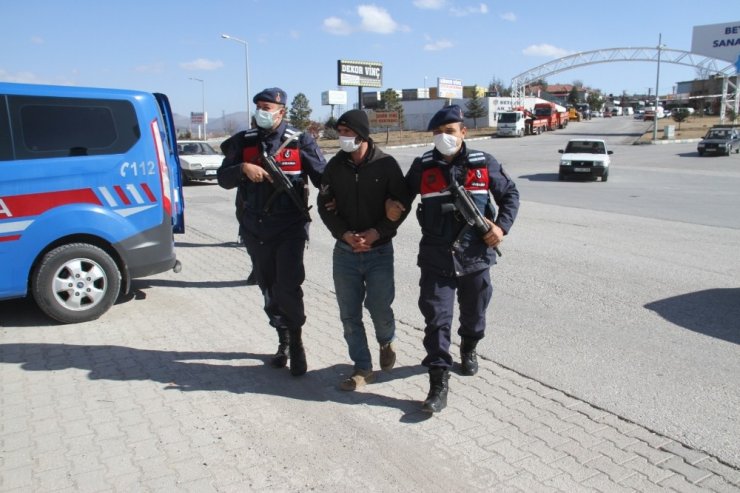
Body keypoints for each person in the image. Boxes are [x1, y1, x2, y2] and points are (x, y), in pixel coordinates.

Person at [389, 105, 519, 412]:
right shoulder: (424, 165)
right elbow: (402, 198)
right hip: (435, 257)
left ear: (464, 132)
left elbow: (510, 195)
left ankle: (469, 347)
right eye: (437, 133)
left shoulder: (483, 163)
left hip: (476, 256)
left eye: (449, 132)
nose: (442, 138)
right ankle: (438, 383)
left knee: (475, 313)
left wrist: (501, 227)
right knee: (436, 321)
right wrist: (391, 209)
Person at [217, 87, 326, 376]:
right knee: (268, 287)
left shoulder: (301, 140)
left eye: (268, 108)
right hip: (256, 229)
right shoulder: (244, 141)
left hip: (290, 228)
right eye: (259, 107)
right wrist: (243, 168)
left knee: (288, 286)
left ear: (281, 112)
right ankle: (284, 341)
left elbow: (324, 180)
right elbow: (222, 178)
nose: (261, 113)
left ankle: (298, 341)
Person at [317, 110, 410, 391]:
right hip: (345, 252)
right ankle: (362, 367)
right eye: (340, 132)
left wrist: (378, 232)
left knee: (379, 307)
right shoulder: (335, 166)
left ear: (361, 134)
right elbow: (324, 205)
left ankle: (386, 340)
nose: (342, 138)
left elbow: (401, 205)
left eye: (347, 132)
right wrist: (343, 234)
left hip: (379, 252)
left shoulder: (386, 165)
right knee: (349, 314)